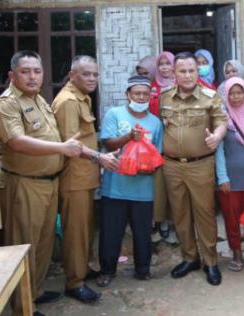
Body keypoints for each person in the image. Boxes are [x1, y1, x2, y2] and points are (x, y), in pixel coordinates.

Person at [0, 50, 83, 313]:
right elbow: (17, 142)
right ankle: (22, 306)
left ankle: (35, 291)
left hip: (48, 182)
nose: (32, 77)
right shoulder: (7, 104)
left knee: (43, 243)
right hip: (24, 184)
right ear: (12, 75)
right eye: (25, 71)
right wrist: (62, 149)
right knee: (23, 245)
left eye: (37, 71)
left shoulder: (39, 100)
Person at [52, 55, 119, 303]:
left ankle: (81, 269)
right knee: (76, 231)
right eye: (85, 74)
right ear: (72, 76)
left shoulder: (82, 97)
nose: (92, 78)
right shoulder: (68, 101)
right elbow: (70, 145)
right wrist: (99, 157)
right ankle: (74, 282)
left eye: (95, 74)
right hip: (74, 177)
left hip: (84, 176)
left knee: (85, 228)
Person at [160, 52, 227, 286]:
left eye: (191, 70)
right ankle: (190, 258)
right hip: (172, 166)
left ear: (197, 72)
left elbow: (221, 122)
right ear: (174, 73)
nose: (187, 75)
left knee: (205, 214)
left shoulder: (210, 96)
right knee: (179, 214)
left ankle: (210, 261)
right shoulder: (164, 97)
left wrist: (216, 137)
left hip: (201, 164)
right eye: (182, 71)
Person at [97, 75, 162, 287]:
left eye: (145, 94)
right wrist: (128, 137)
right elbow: (107, 144)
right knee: (111, 233)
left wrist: (148, 167)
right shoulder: (115, 114)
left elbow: (157, 154)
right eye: (136, 93)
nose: (141, 97)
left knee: (142, 233)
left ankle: (143, 270)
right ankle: (107, 270)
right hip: (115, 186)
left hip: (143, 188)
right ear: (128, 95)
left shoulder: (155, 122)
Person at [214, 77, 244, 272]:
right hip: (230, 181)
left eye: (239, 92)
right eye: (231, 93)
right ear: (226, 95)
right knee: (231, 219)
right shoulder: (223, 118)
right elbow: (218, 150)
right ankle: (236, 253)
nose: (235, 97)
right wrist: (222, 176)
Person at [150, 51, 178, 245]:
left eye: (168, 64)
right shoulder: (152, 88)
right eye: (161, 64)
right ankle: (163, 221)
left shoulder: (181, 84)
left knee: (176, 183)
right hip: (158, 140)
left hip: (179, 139)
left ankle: (177, 221)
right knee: (161, 184)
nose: (165, 68)